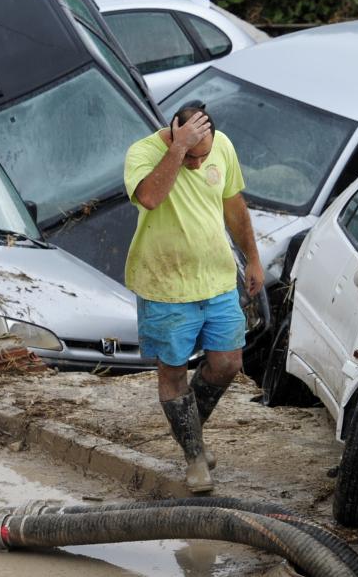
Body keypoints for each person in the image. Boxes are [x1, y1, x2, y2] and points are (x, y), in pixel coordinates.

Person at [123, 102, 263, 492]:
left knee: (228, 362)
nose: (199, 165)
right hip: (165, 286)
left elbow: (233, 205)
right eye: (193, 157)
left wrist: (253, 259)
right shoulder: (143, 153)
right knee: (172, 371)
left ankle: (190, 434)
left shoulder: (222, 147)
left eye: (205, 156)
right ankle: (194, 456)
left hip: (216, 280)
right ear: (175, 132)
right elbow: (150, 197)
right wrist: (177, 151)